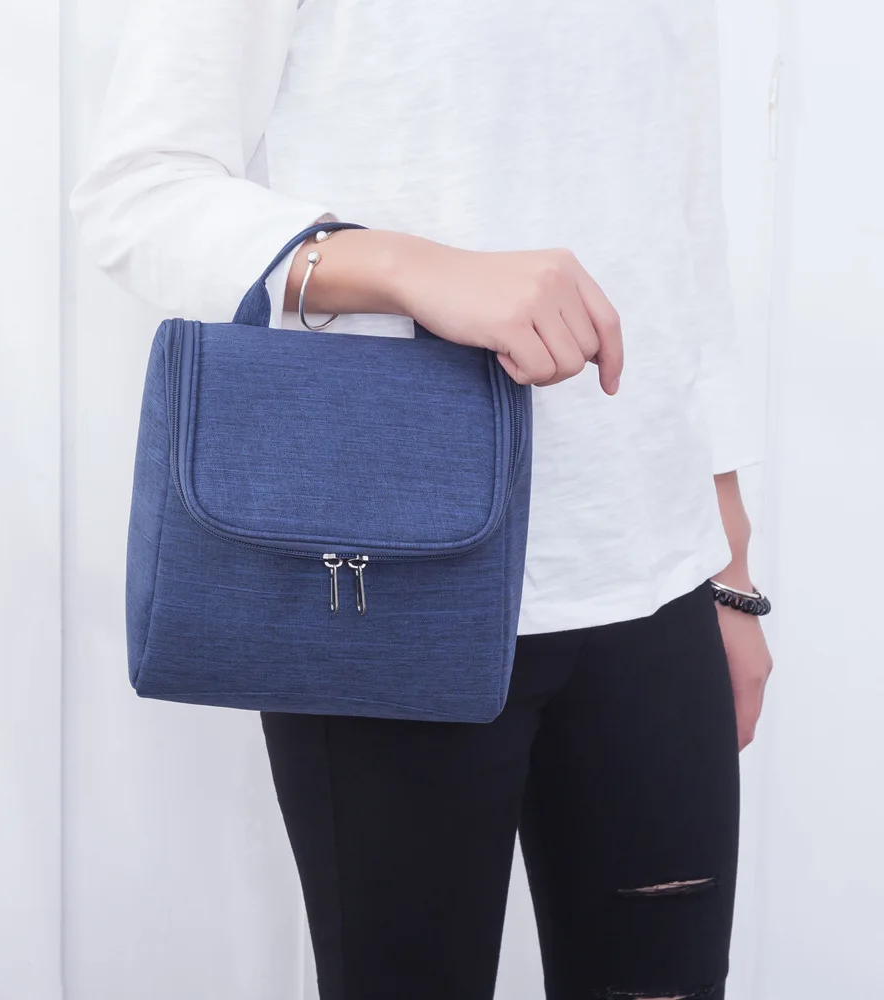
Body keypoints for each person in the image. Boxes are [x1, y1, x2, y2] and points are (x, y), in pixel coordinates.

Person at [72, 0, 774, 996]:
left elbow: (683, 231)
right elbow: (136, 192)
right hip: (383, 583)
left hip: (656, 575)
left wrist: (729, 567)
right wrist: (408, 268)